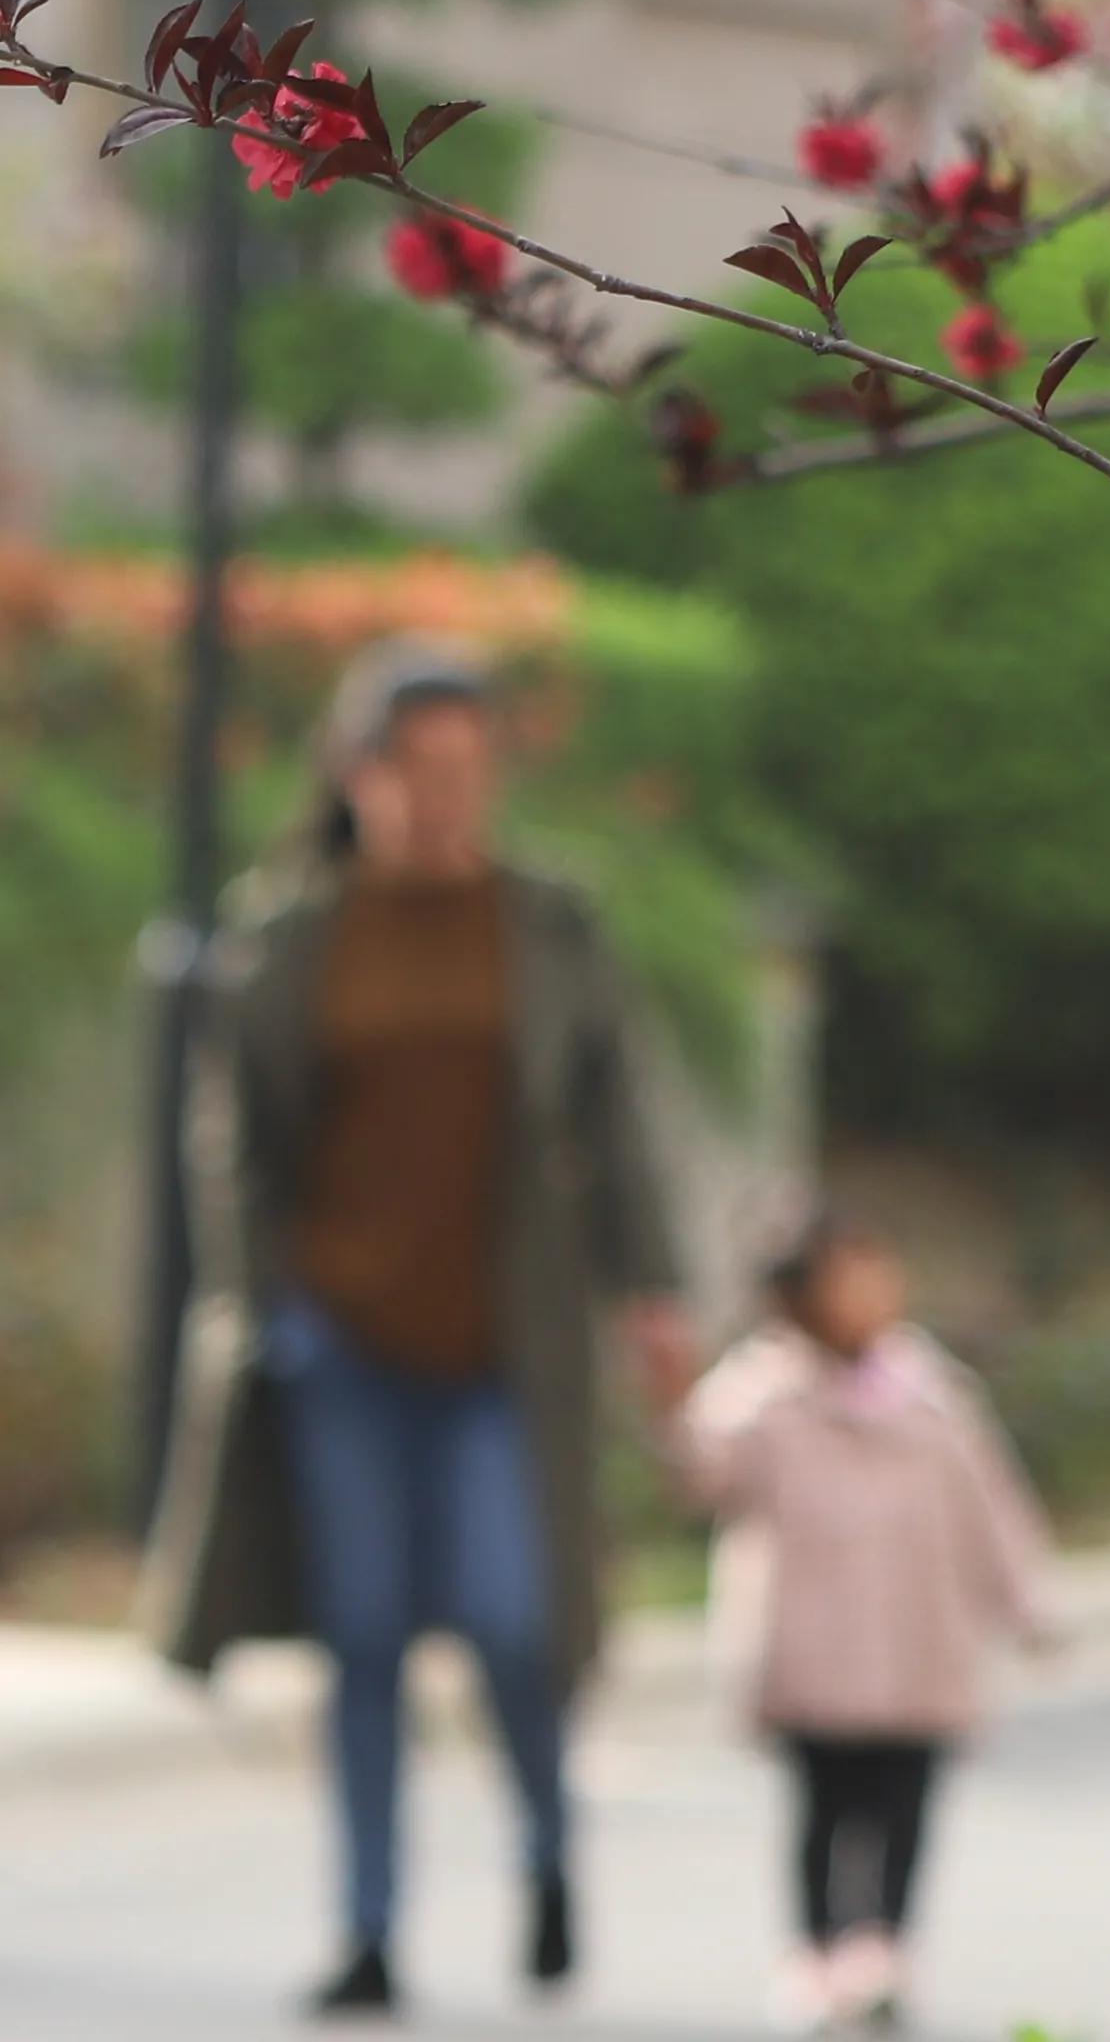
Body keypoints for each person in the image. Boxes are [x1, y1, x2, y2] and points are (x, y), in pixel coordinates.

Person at [145, 638, 701, 2019]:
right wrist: (263, 1297)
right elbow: (232, 1140)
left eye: (474, 770)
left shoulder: (550, 925)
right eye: (423, 771)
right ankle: (371, 1926)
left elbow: (613, 1116)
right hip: (343, 1335)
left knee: (514, 1620)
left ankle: (548, 1853)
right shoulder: (289, 935)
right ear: (360, 774)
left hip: (504, 1339)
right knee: (368, 1635)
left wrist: (655, 1291)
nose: (453, 798)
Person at [674, 1213, 1055, 2033]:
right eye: (846, 1281)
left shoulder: (936, 1396)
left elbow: (991, 1506)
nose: (869, 1297)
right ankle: (815, 1951)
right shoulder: (760, 1399)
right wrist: (670, 1395)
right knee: (824, 1808)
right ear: (796, 1301)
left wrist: (1025, 1600)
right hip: (813, 1651)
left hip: (919, 1645)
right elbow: (703, 1477)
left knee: (906, 1806)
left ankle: (883, 1946)